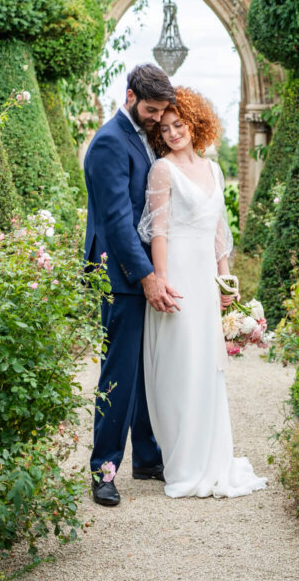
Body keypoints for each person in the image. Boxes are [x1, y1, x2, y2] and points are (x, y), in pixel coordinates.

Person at [139, 86, 267, 499]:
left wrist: (226, 285)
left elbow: (218, 234)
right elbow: (158, 232)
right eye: (166, 127)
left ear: (195, 123)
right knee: (179, 366)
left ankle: (212, 459)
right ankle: (183, 462)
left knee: (207, 369)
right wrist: (159, 281)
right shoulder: (162, 170)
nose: (174, 132)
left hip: (206, 281)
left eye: (180, 123)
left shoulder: (213, 171)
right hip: (176, 276)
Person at [84, 64, 182, 507]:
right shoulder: (108, 141)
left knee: (142, 370)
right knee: (119, 375)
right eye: (151, 108)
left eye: (163, 110)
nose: (158, 118)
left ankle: (145, 457)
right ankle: (103, 470)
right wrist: (146, 277)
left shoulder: (140, 136)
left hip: (137, 271)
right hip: (118, 276)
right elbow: (118, 221)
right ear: (129, 96)